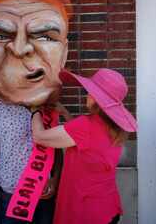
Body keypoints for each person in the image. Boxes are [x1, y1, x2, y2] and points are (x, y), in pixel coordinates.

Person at [0, 0, 72, 224]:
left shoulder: (51, 111)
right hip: (10, 200)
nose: (19, 49)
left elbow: (58, 153)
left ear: (65, 53)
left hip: (45, 198)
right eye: (0, 35)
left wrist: (55, 180)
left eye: (44, 36)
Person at [31, 68, 137, 224]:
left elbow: (39, 137)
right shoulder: (114, 127)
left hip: (84, 210)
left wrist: (35, 110)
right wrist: (66, 113)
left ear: (98, 99)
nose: (87, 94)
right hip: (106, 206)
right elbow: (85, 139)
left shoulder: (85, 126)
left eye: (91, 91)